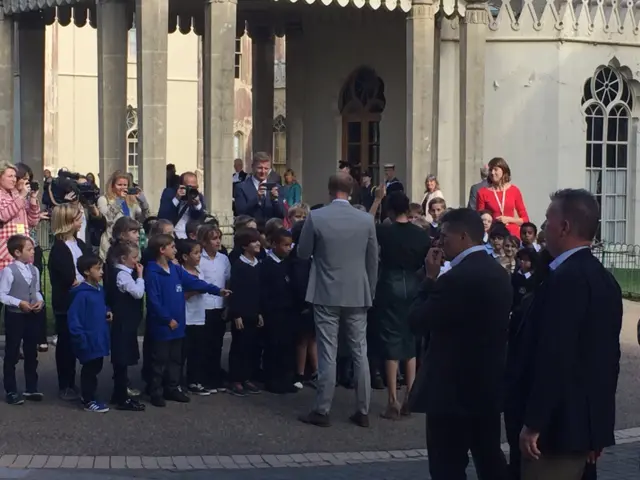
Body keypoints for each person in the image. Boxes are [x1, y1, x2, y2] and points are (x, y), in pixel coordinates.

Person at [507, 189, 622, 480]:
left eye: (548, 220)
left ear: (565, 227)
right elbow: (607, 362)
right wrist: (597, 431)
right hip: (581, 429)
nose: (544, 228)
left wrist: (534, 422)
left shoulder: (566, 281)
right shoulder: (604, 279)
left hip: (555, 431)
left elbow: (554, 355)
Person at [408, 208, 511, 480]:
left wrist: (429, 279)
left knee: (447, 466)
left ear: (464, 237)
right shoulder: (499, 274)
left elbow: (418, 320)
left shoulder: (455, 279)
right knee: (489, 458)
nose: (440, 243)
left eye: (445, 236)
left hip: (451, 391)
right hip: (486, 387)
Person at [297, 173, 378, 428]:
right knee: (359, 351)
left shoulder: (317, 216)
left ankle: (323, 409)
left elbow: (302, 252)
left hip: (326, 289)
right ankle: (363, 409)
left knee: (327, 351)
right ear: (351, 190)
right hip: (357, 290)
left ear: (330, 190)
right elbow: (372, 259)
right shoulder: (365, 220)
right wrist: (371, 290)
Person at [144, 234, 229, 407]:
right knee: (160, 360)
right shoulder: (152, 272)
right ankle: (156, 391)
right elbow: (153, 300)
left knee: (176, 358)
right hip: (164, 325)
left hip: (179, 323)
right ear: (162, 250)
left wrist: (217, 290)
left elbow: (194, 282)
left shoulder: (175, 269)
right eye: (172, 247)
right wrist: (166, 319)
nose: (175, 250)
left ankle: (173, 388)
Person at [374, 192, 430, 420]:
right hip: (414, 282)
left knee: (391, 341)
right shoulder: (421, 235)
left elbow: (366, 225)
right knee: (410, 340)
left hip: (390, 283)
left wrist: (376, 200)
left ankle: (392, 400)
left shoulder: (385, 232)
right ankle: (410, 397)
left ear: (389, 210)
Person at [48, 203, 91, 401]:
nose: (81, 221)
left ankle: (81, 382)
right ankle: (65, 383)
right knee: (66, 344)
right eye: (77, 218)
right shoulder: (59, 249)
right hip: (67, 303)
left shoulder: (80, 245)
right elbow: (69, 278)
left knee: (80, 343)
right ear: (67, 222)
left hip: (83, 299)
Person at [0, 235, 45, 405]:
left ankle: (31, 387)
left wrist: (39, 300)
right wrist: (19, 303)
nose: (33, 252)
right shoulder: (8, 271)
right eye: (29, 249)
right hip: (15, 316)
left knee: (31, 352)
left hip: (32, 315)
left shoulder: (34, 270)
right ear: (17, 252)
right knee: (12, 352)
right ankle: (11, 390)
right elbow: (2, 294)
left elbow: (36, 290)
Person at [67, 254, 111, 413]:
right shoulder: (81, 294)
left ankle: (91, 396)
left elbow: (102, 305)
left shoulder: (99, 289)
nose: (101, 272)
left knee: (96, 368)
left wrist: (107, 311)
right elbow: (74, 320)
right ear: (86, 271)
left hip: (99, 337)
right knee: (90, 370)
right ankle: (88, 399)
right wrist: (81, 339)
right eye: (97, 269)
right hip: (88, 339)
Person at [105, 241, 146, 412]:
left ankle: (119, 393)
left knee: (123, 357)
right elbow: (137, 293)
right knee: (121, 358)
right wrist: (141, 276)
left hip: (126, 321)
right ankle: (122, 396)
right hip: (123, 321)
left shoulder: (122, 273)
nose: (137, 261)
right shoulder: (123, 275)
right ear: (123, 258)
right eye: (134, 257)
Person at [261, 228, 297, 394]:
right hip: (273, 312)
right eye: (285, 245)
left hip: (288, 310)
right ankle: (272, 379)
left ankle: (286, 378)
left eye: (290, 245)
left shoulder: (288, 264)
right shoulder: (267, 265)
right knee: (273, 346)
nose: (288, 248)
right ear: (274, 245)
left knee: (287, 346)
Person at [197, 224, 231, 393]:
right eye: (214, 238)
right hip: (204, 306)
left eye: (219, 238)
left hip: (219, 306)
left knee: (217, 343)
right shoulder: (200, 259)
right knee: (204, 344)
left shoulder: (223, 259)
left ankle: (215, 375)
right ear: (204, 241)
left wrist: (227, 305)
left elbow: (227, 280)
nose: (218, 242)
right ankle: (202, 377)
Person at [97, 171, 147, 259]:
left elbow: (141, 217)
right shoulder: (104, 199)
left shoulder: (131, 200)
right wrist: (119, 200)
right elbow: (106, 218)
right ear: (112, 186)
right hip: (111, 242)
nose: (122, 188)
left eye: (125, 185)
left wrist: (143, 202)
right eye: (119, 185)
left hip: (130, 244)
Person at [0, 162, 41, 271]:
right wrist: (22, 196)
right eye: (10, 176)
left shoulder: (18, 196)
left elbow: (33, 221)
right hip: (5, 255)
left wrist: (32, 199)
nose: (13, 180)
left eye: (15, 176)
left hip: (23, 253)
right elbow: (3, 215)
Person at [476, 157, 529, 238]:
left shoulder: (514, 190)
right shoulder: (482, 192)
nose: (492, 173)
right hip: (494, 237)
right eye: (490, 170)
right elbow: (479, 220)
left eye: (495, 169)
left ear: (503, 170)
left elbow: (525, 219)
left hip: (512, 238)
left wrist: (509, 220)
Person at [234, 152, 285, 222]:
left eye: (266, 168)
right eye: (260, 168)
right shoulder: (241, 187)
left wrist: (275, 201)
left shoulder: (277, 188)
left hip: (271, 231)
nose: (263, 171)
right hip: (250, 231)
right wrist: (256, 198)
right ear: (252, 167)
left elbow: (282, 215)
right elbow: (241, 213)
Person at [157, 171, 206, 238]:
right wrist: (176, 199)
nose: (192, 190)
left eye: (195, 188)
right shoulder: (169, 193)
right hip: (172, 235)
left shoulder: (198, 196)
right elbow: (163, 216)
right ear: (181, 185)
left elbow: (201, 218)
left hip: (190, 237)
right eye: (189, 187)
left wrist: (197, 205)